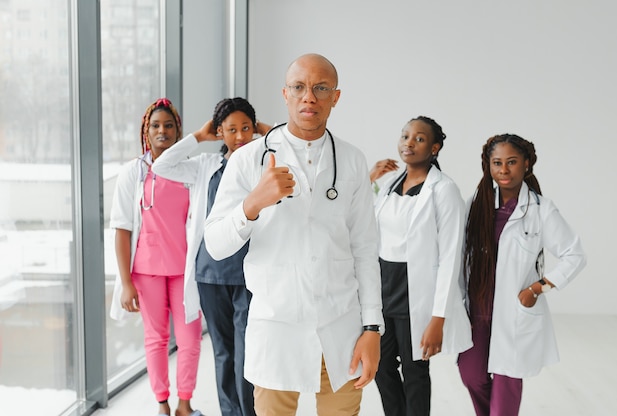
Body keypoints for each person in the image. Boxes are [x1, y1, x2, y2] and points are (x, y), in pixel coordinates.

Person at [204, 53, 383, 416]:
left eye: (320, 88)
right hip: (276, 329)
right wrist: (254, 202)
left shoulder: (351, 160)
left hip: (341, 328)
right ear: (285, 94)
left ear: (336, 96)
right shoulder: (249, 160)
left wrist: (373, 328)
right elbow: (216, 245)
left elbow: (365, 248)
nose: (309, 97)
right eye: (299, 87)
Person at [152, 97, 271, 416]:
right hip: (210, 272)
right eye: (231, 129)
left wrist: (267, 132)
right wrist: (199, 137)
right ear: (220, 132)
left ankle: (250, 412)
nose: (241, 135)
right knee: (223, 352)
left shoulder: (264, 164)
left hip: (249, 272)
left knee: (248, 351)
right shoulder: (206, 166)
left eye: (247, 127)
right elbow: (161, 165)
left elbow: (293, 156)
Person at [457, 134, 586, 416]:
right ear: (488, 166)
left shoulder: (541, 209)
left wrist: (538, 288)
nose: (504, 170)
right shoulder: (475, 205)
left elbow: (574, 255)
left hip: (514, 311)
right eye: (497, 163)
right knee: (471, 375)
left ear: (526, 164)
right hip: (477, 308)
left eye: (512, 162)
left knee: (506, 382)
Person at [370, 117, 472, 415]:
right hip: (383, 288)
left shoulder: (444, 190)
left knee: (415, 372)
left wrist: (438, 319)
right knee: (380, 364)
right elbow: (359, 220)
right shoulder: (388, 183)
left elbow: (452, 256)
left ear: (435, 147)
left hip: (416, 293)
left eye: (419, 139)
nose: (408, 143)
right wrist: (369, 178)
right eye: (404, 136)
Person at [109, 98, 204, 416]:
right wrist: (125, 282)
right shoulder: (131, 174)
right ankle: (162, 403)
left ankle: (185, 404)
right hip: (146, 271)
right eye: (155, 125)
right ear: (145, 132)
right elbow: (121, 229)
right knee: (156, 338)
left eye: (168, 125)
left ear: (178, 131)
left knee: (190, 340)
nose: (162, 130)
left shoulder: (192, 170)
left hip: (184, 270)